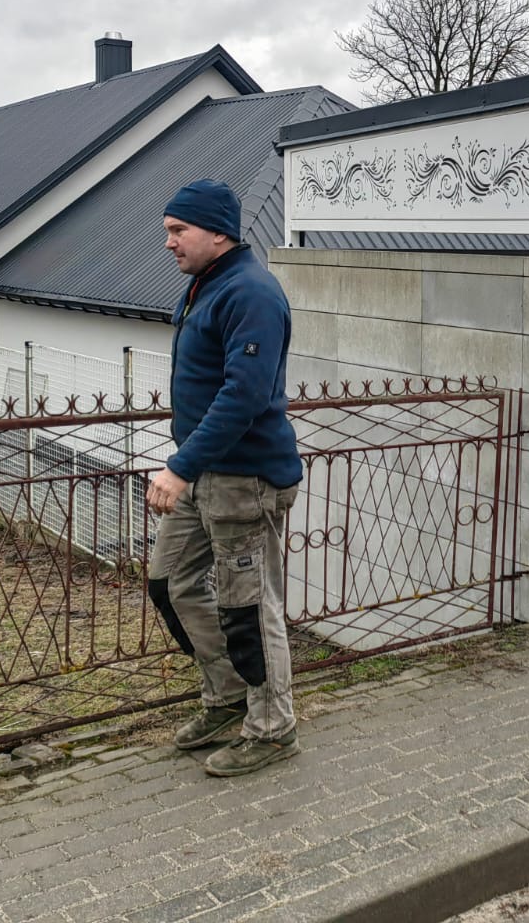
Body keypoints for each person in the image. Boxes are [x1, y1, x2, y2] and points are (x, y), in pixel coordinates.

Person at [146, 179, 304, 777]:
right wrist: (190, 464)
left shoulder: (251, 292)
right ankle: (228, 696)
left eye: (178, 230)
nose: (169, 243)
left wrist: (179, 467)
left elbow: (244, 395)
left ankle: (273, 730)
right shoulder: (206, 285)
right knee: (171, 583)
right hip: (204, 471)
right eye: (169, 231)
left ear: (218, 233)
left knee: (250, 609)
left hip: (245, 481)